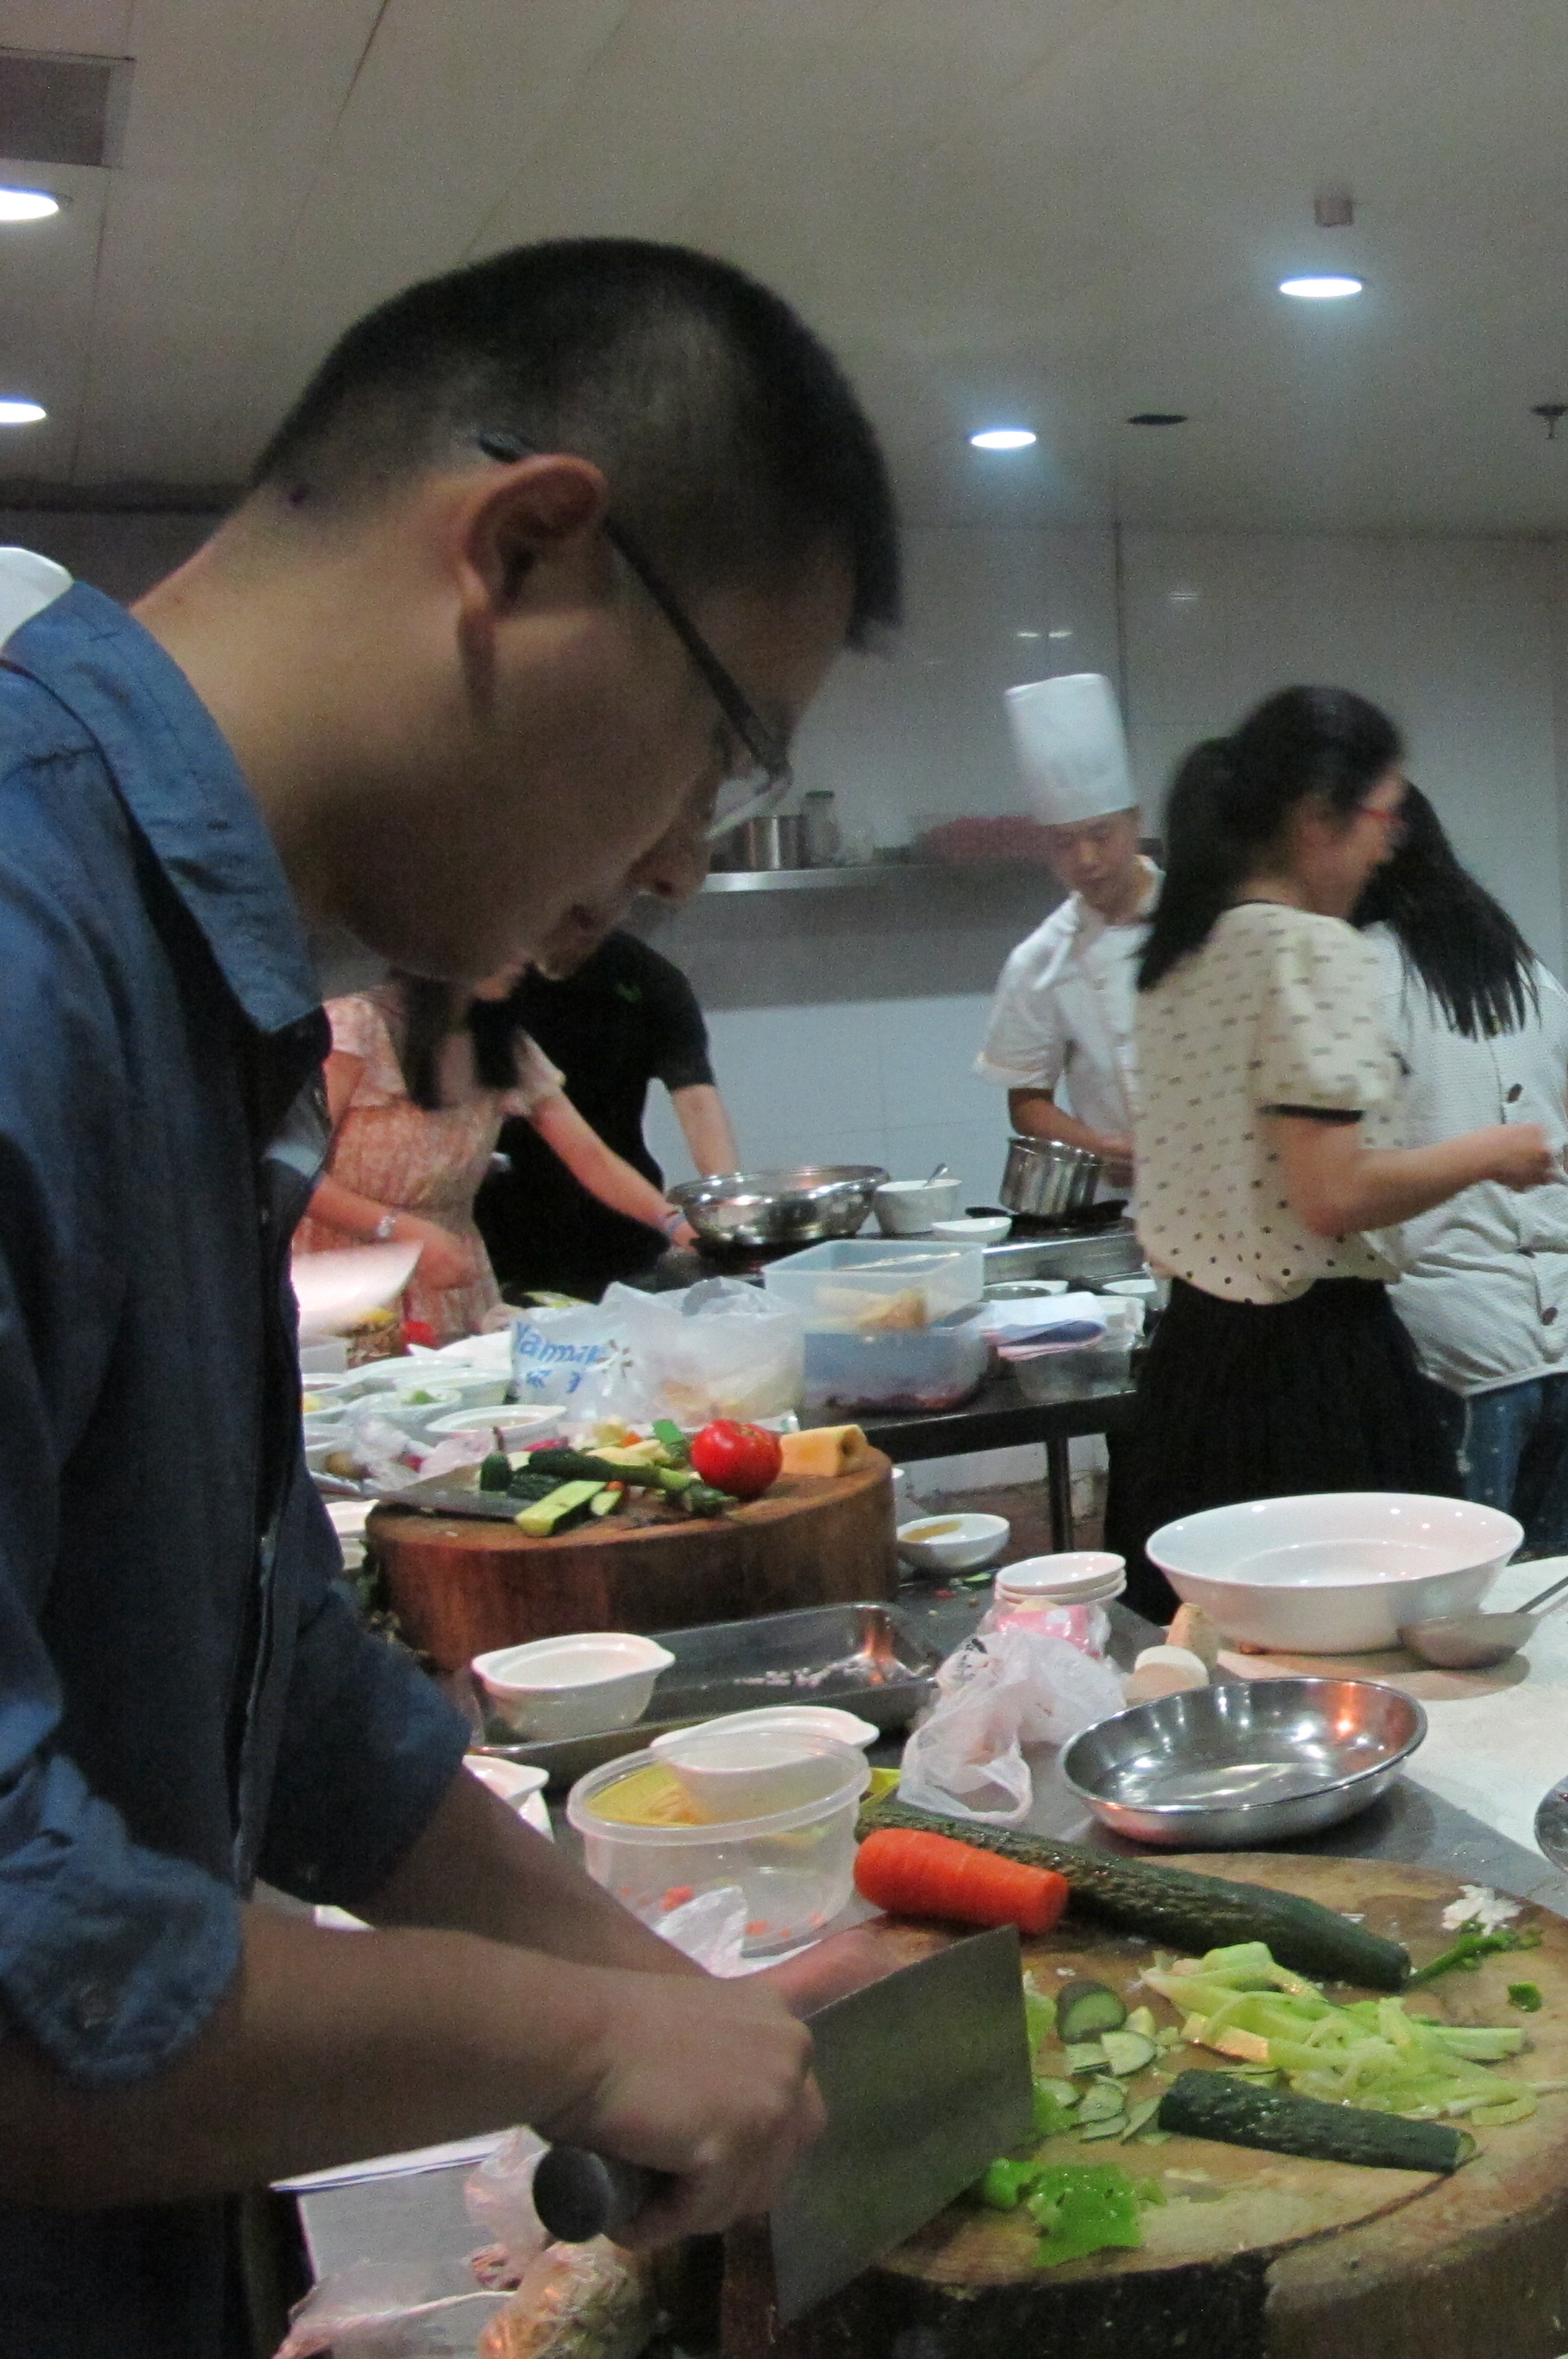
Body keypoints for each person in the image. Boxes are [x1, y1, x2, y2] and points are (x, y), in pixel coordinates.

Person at [0, 237, 901, 2354]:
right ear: (522, 548)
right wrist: (569, 2042)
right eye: (722, 749)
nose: (682, 863)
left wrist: (662, 2004)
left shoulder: (176, 969)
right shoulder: (28, 946)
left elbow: (276, 1678)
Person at [1109, 689, 1557, 1620]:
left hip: (1190, 1363)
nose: (1388, 848)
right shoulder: (1314, 950)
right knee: (1356, 1645)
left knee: (1205, 1651)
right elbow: (1332, 1193)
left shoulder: (1177, 956)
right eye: (1382, 819)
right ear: (1317, 820)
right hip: (1307, 1371)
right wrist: (1491, 1150)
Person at [1355, 784, 1568, 1556]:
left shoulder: (1357, 975)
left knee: (1453, 1591)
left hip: (1449, 1346)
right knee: (1565, 1590)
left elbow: (1343, 1190)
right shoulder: (1535, 979)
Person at [302, 971, 697, 1342]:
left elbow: (591, 1157)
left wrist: (676, 1223)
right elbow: (292, 1169)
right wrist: (401, 1230)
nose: (519, 957)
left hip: (450, 1269)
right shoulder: (353, 1025)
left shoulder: (503, 1039)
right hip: (341, 1272)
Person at [476, 923, 739, 1300]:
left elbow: (695, 1102)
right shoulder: (492, 988)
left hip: (619, 1208)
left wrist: (724, 1214)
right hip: (498, 1219)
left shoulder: (648, 977)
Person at [976, 672, 1156, 1182]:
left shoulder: (1203, 918)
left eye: (1101, 834)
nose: (1086, 859)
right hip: (1120, 1200)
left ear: (1135, 821)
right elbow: (1028, 1101)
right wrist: (1101, 1149)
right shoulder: (1039, 959)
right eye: (1063, 843)